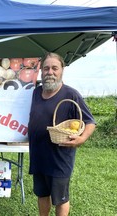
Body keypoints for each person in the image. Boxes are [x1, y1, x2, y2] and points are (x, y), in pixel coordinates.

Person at [28, 52, 96, 216]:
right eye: (46, 68)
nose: (50, 72)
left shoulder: (70, 95)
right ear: (41, 71)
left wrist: (81, 139)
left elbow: (90, 122)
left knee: (60, 199)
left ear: (62, 70)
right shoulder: (36, 93)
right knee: (42, 194)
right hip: (38, 155)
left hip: (59, 158)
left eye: (54, 68)